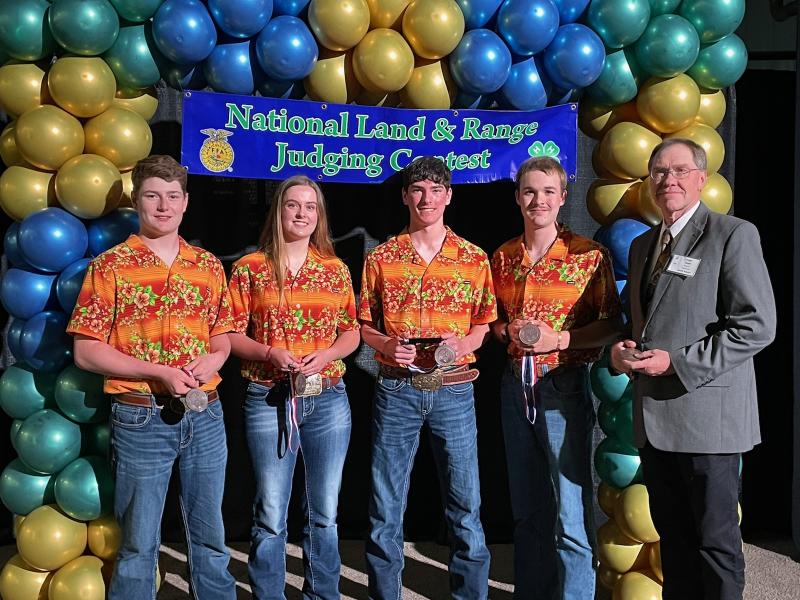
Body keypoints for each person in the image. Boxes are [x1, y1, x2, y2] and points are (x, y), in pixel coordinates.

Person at [609, 139, 776, 600]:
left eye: (680, 170)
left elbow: (757, 327)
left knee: (716, 545)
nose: (669, 181)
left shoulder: (732, 234)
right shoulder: (645, 245)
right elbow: (644, 324)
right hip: (656, 423)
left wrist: (677, 364)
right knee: (676, 546)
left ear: (702, 178)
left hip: (709, 423)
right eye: (659, 172)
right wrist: (620, 353)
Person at [67, 155, 236, 599]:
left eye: (173, 197)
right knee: (139, 543)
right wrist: (156, 371)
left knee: (211, 539)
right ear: (136, 201)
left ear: (186, 203)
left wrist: (216, 359)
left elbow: (224, 337)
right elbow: (86, 351)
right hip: (141, 417)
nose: (163, 206)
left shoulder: (208, 266)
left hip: (206, 415)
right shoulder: (111, 266)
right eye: (152, 196)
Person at [358, 156, 496, 600]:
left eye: (436, 190)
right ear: (404, 196)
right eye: (418, 190)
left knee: (465, 505)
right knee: (385, 506)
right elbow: (362, 322)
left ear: (449, 196)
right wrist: (382, 345)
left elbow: (485, 323)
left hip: (453, 388)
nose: (427, 198)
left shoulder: (473, 258)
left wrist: (462, 344)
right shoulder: (382, 257)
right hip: (397, 389)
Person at [490, 156, 622, 599]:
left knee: (569, 510)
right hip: (515, 388)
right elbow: (492, 322)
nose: (538, 200)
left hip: (562, 386)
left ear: (563, 198)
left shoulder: (587, 256)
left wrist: (560, 340)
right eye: (529, 191)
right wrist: (507, 330)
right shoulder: (503, 257)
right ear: (517, 198)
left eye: (548, 192)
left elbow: (611, 324)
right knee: (528, 511)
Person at [227, 176, 360, 600]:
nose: (301, 213)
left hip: (328, 398)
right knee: (270, 512)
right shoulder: (250, 268)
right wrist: (268, 352)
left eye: (310, 206)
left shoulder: (334, 269)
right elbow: (230, 334)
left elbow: (351, 333)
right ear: (278, 211)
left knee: (324, 512)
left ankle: (322, 593)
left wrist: (326, 354)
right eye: (292, 205)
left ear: (318, 216)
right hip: (268, 397)